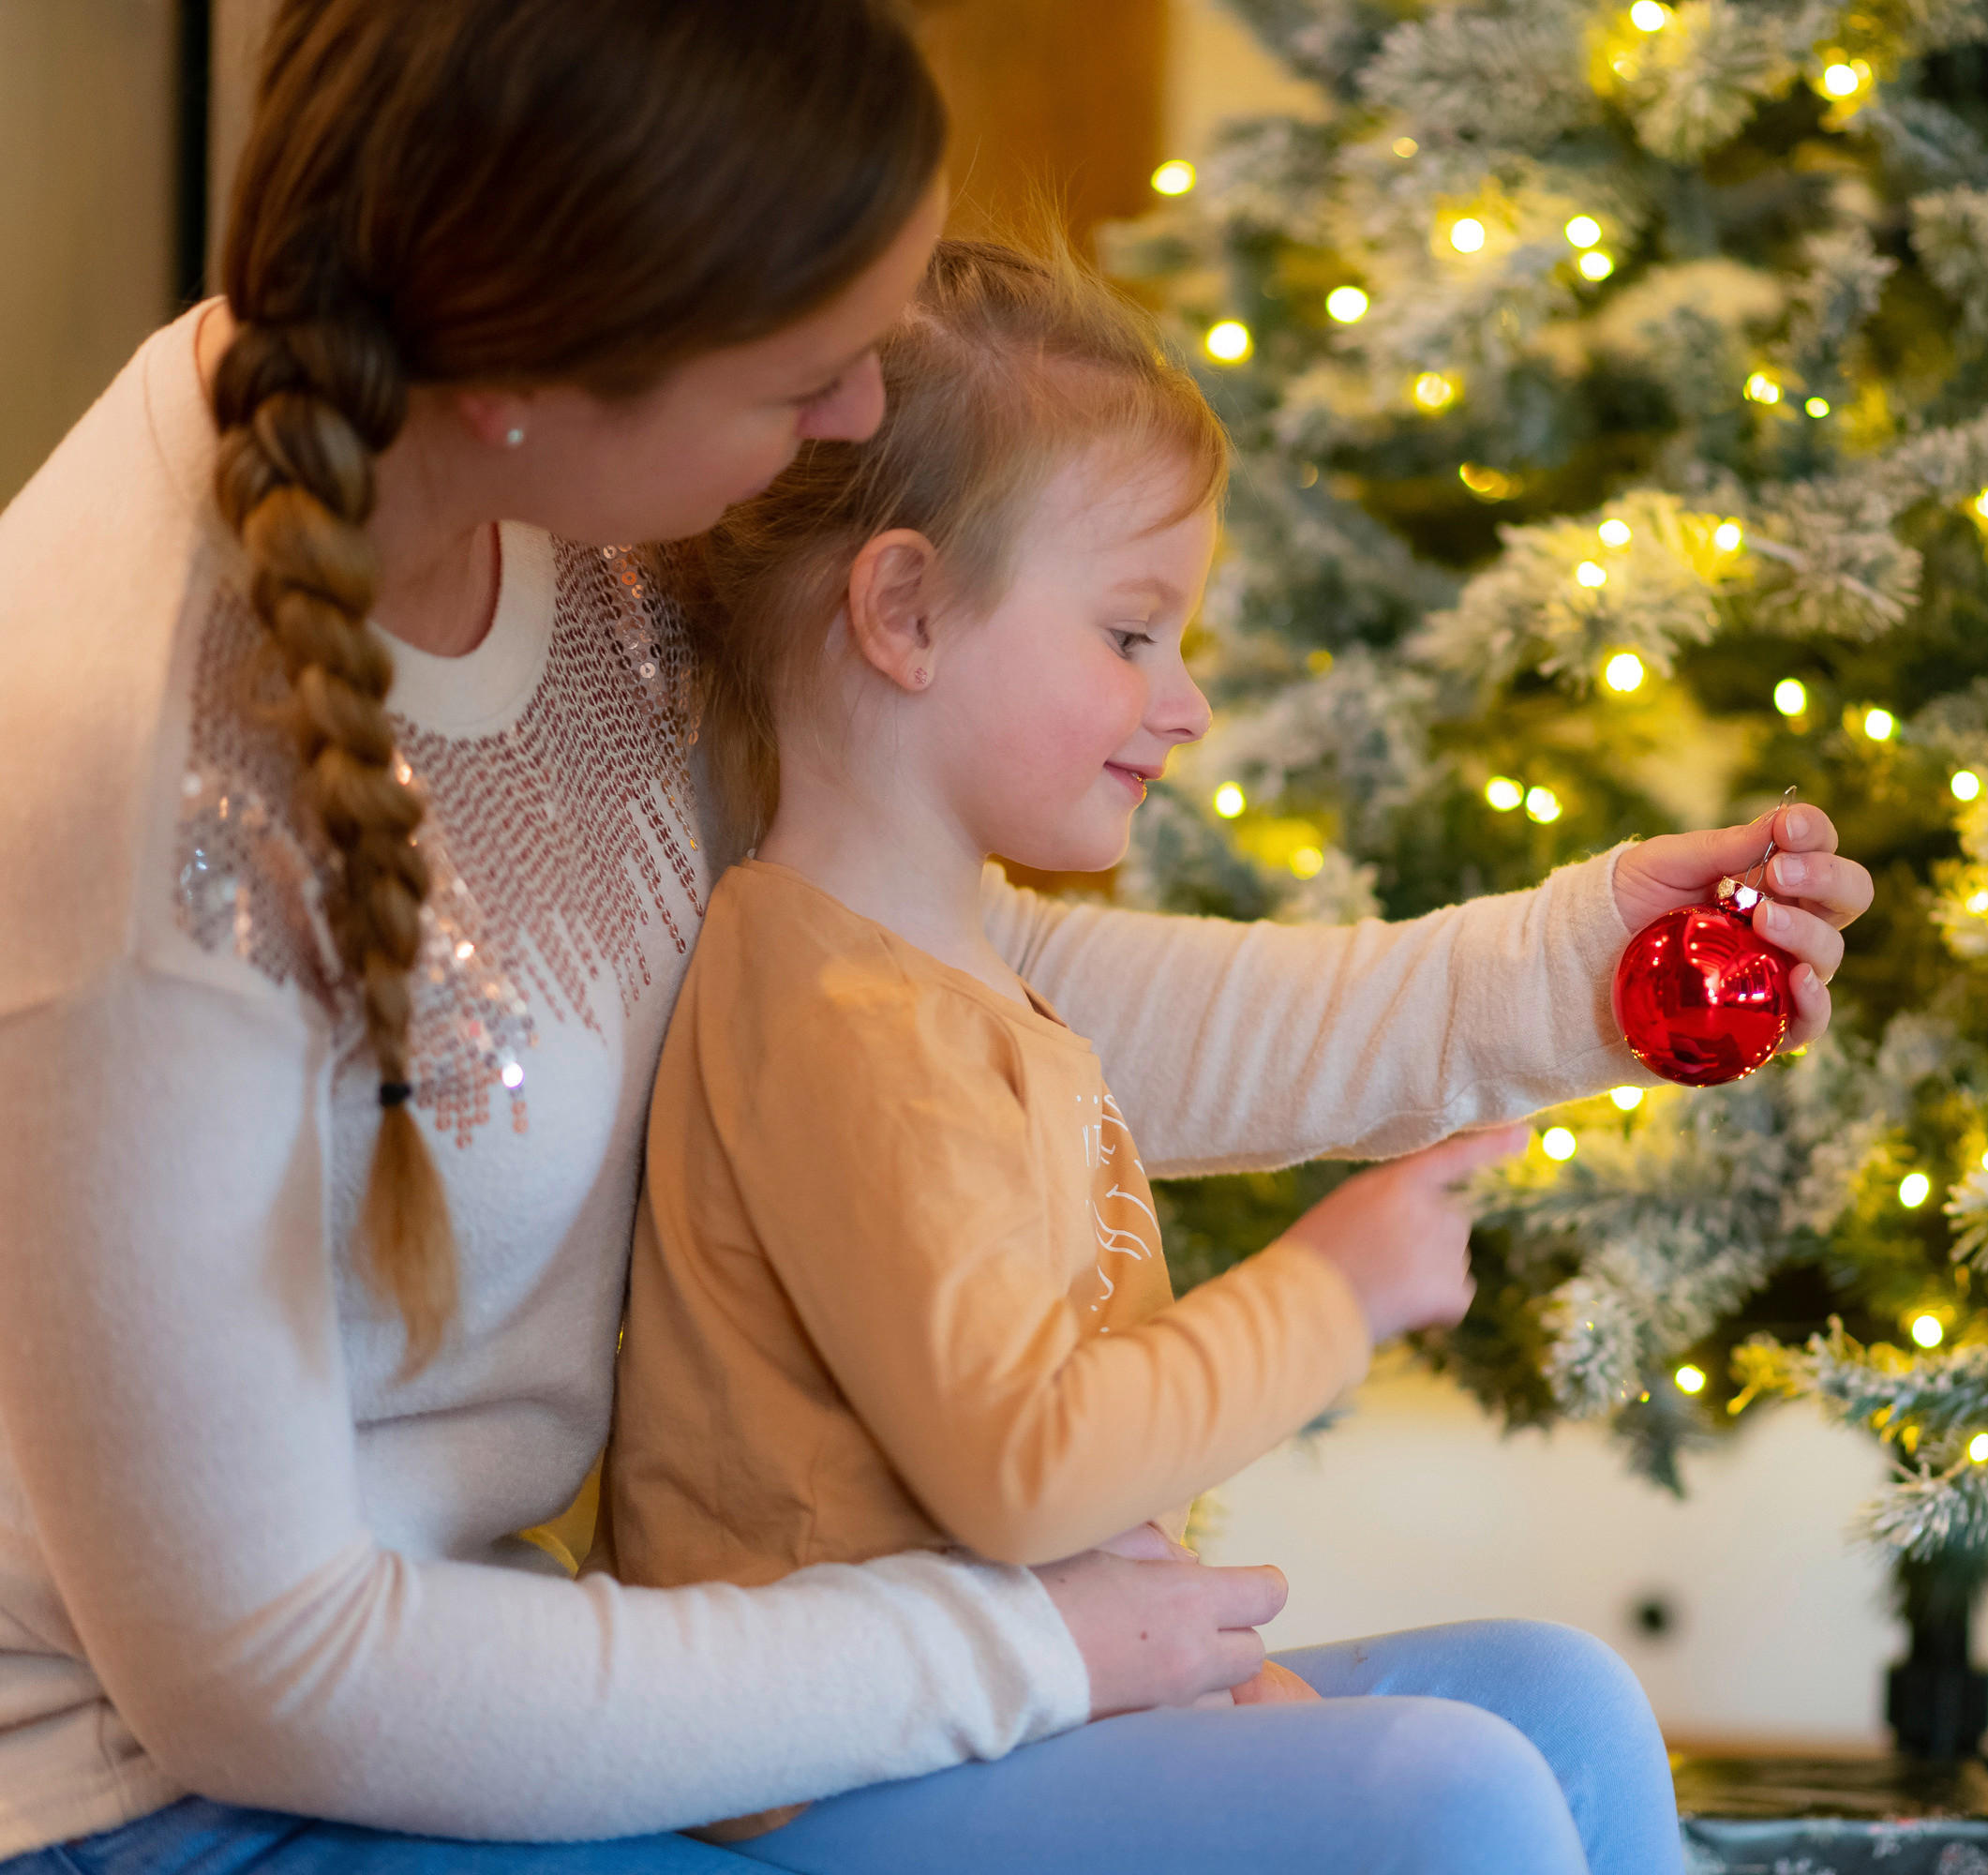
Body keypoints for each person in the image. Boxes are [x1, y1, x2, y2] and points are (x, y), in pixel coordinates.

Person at [0, 2, 1873, 1869]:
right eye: (800, 370)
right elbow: (265, 1668)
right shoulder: (128, 795)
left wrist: (1562, 975)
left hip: (615, 1674)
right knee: (1439, 1810)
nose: (858, 422)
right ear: (543, 345)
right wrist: (1019, 1642)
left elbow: (936, 997)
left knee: (1546, 1712)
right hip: (206, 1798)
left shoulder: (583, 504)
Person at [601, 238, 1686, 1874]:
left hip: (1031, 1699)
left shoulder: (956, 962)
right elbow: (1023, 1473)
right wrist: (1329, 1292)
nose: (1182, 704)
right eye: (1130, 634)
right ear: (902, 612)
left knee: (1560, 1699)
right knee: (1450, 1797)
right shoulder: (830, 1015)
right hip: (844, 1772)